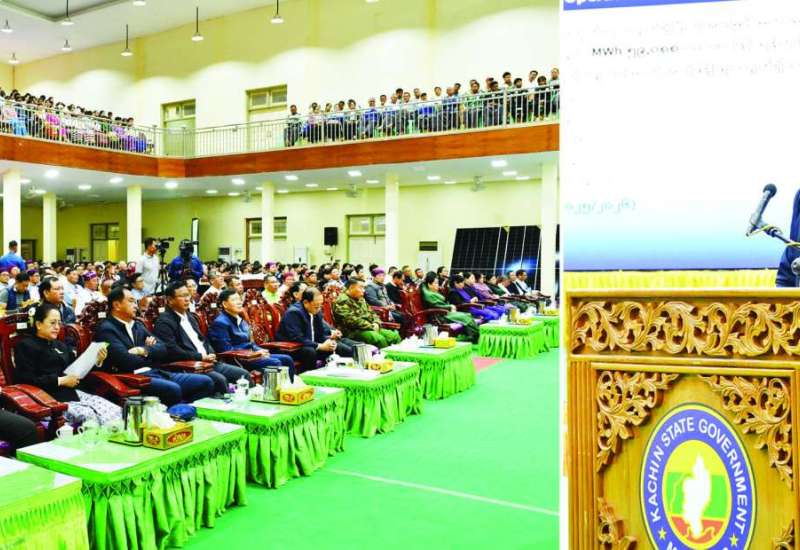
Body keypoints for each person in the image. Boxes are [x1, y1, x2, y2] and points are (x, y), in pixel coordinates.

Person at [95, 288, 214, 405]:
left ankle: (183, 410)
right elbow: (127, 361)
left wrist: (143, 350)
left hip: (157, 372)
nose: (136, 305)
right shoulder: (107, 329)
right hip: (134, 378)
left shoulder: (137, 325)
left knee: (205, 382)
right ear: (117, 305)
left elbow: (163, 348)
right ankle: (175, 412)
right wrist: (153, 354)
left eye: (135, 301)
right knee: (172, 389)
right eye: (131, 301)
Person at [15, 303, 121, 425]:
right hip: (48, 399)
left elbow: (77, 370)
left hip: (74, 393)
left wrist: (97, 360)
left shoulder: (61, 345)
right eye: (52, 323)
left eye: (59, 323)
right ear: (38, 324)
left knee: (117, 411)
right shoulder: (26, 346)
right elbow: (26, 379)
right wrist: (61, 380)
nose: (57, 327)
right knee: (90, 419)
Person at [153, 282, 251, 396]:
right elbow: (171, 350)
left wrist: (210, 353)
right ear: (170, 300)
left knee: (243, 374)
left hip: (208, 362)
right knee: (219, 380)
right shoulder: (164, 322)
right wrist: (200, 357)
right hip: (190, 365)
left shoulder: (190, 317)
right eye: (182, 296)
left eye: (188, 295)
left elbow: (203, 340)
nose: (187, 299)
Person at [207, 289, 295, 374]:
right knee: (275, 362)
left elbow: (250, 343)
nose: (239, 302)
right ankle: (277, 384)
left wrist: (260, 350)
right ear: (225, 304)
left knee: (287, 359)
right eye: (234, 300)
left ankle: (290, 384)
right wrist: (255, 354)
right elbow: (225, 350)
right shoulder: (220, 323)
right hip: (239, 359)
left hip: (252, 356)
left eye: (239, 299)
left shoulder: (240, 319)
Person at [276, 287, 354, 372]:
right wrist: (320, 346)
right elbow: (297, 338)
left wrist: (329, 342)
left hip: (312, 344)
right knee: (310, 352)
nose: (319, 309)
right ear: (306, 302)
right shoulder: (294, 313)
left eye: (320, 305)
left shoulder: (315, 311)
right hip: (292, 348)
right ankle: (309, 377)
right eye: (316, 306)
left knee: (341, 348)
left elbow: (320, 334)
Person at [333, 279, 401, 348]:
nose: (363, 290)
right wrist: (371, 326)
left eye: (364, 288)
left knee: (394, 337)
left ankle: (396, 354)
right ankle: (384, 355)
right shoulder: (342, 301)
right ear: (351, 288)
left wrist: (376, 323)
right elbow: (351, 320)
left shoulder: (360, 298)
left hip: (369, 327)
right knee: (379, 339)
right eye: (361, 288)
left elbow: (371, 312)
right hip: (353, 331)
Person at [420, 272, 479, 343]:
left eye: (437, 283)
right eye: (435, 283)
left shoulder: (432, 292)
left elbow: (441, 304)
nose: (438, 285)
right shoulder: (429, 295)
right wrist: (449, 307)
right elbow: (437, 306)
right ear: (429, 284)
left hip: (445, 312)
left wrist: (449, 307)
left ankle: (472, 335)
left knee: (467, 315)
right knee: (464, 317)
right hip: (440, 315)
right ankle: (475, 335)